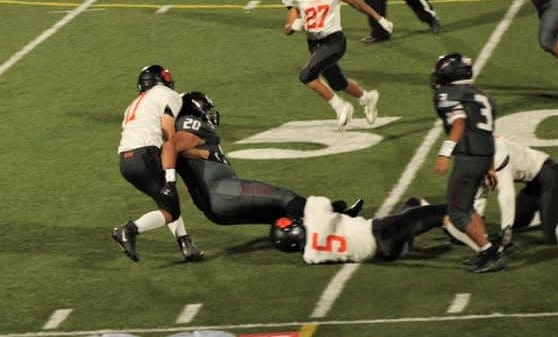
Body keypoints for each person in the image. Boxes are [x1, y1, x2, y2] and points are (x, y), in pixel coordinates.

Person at [172, 91, 364, 226]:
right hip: (222, 191)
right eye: (205, 109)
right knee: (284, 197)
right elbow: (173, 146)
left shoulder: (185, 128)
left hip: (215, 203)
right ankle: (333, 223)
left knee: (283, 211)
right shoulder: (189, 123)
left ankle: (330, 216)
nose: (209, 114)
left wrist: (198, 154)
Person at [280, 0, 388, 130]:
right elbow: (287, 27)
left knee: (306, 75)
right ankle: (367, 97)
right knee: (338, 83)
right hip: (314, 44)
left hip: (334, 41)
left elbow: (356, 3)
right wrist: (292, 27)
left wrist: (379, 18)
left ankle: (341, 106)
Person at [111, 65, 203, 263]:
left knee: (166, 201)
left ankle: (186, 244)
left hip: (126, 161)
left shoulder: (134, 104)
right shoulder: (167, 95)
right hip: (145, 155)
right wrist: (170, 177)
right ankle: (128, 230)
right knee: (170, 210)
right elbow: (168, 134)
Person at [430, 52, 505, 273]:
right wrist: (489, 165)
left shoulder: (449, 93)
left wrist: (444, 153)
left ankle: (490, 253)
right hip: (484, 154)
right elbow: (487, 132)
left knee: (457, 212)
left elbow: (459, 123)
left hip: (469, 157)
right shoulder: (481, 95)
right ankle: (487, 252)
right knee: (468, 207)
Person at [270, 195, 448, 264]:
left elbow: (329, 229)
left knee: (413, 206)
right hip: (381, 233)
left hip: (383, 255)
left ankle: (442, 223)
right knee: (444, 211)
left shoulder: (310, 257)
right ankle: (466, 228)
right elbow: (335, 204)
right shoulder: (315, 218)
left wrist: (345, 216)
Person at [472, 135, 558, 245]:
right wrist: (475, 220)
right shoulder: (479, 154)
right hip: (533, 186)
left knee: (551, 238)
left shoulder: (498, 155)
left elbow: (507, 194)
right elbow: (480, 191)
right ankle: (546, 210)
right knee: (517, 223)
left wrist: (506, 229)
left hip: (550, 177)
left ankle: (551, 213)